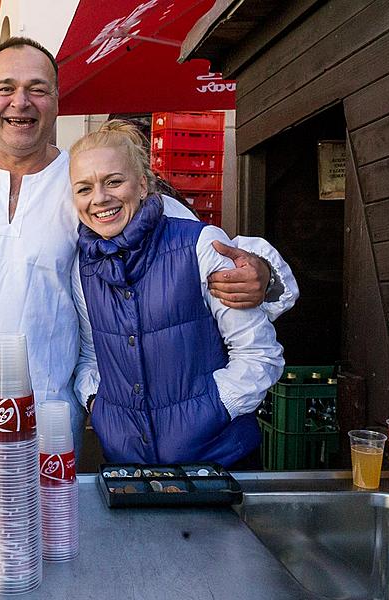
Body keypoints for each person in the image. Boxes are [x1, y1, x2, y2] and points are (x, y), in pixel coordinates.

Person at [0, 38, 296, 474]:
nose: (20, 102)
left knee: (42, 560)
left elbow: (190, 241)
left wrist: (263, 275)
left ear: (56, 102)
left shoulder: (91, 181)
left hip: (44, 433)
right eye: (6, 88)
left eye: (37, 89)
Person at [70, 120, 284, 466]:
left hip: (219, 462)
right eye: (84, 188)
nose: (99, 198)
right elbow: (92, 357)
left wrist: (214, 409)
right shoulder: (83, 269)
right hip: (128, 467)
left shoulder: (200, 244)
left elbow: (259, 353)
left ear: (142, 185)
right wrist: (99, 405)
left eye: (114, 181)